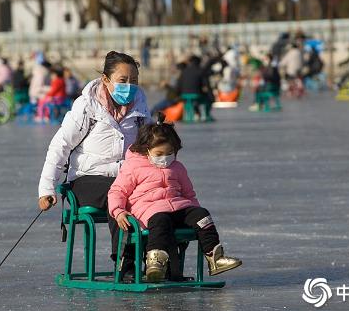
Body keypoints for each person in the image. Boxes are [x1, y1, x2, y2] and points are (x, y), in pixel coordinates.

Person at [37, 51, 151, 273]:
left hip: (125, 177)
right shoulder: (87, 106)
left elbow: (148, 142)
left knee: (153, 196)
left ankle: (157, 258)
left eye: (134, 81)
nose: (130, 85)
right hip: (87, 179)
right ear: (106, 80)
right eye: (123, 80)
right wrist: (46, 189)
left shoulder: (139, 103)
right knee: (119, 196)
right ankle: (125, 263)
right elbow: (60, 145)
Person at [107, 113, 242, 281]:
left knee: (202, 216)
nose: (165, 158)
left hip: (179, 207)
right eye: (159, 153)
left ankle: (214, 256)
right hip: (150, 211)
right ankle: (155, 262)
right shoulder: (134, 167)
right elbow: (117, 190)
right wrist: (118, 211)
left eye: (170, 153)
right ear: (146, 150)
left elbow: (188, 194)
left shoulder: (177, 167)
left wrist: (195, 210)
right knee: (160, 221)